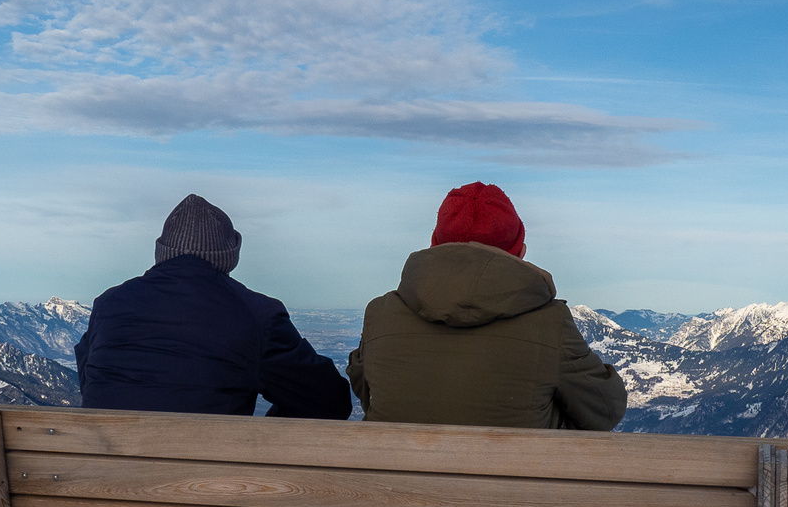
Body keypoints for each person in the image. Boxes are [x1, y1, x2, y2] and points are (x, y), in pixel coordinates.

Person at [347, 182, 626, 430]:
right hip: (512, 488)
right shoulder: (549, 324)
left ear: (434, 245)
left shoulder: (380, 315)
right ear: (519, 252)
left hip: (394, 487)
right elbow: (605, 410)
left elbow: (367, 390)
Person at [74, 194, 352, 419]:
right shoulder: (255, 314)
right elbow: (329, 400)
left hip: (97, 476)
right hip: (206, 482)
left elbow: (91, 383)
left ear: (162, 252)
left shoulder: (108, 305)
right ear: (229, 257)